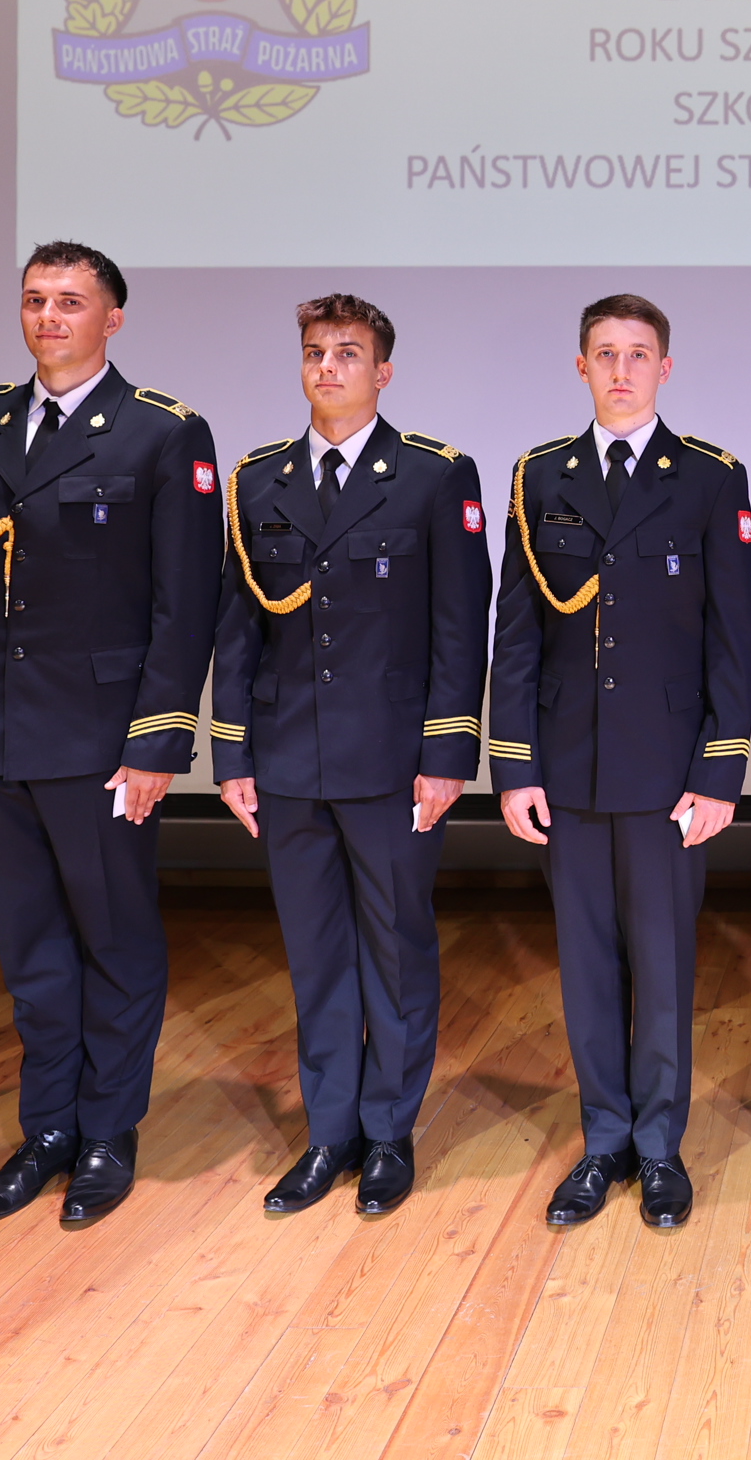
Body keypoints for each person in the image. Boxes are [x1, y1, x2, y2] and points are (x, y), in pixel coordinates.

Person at [0, 242, 222, 1230]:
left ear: (112, 319)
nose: (48, 316)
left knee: (115, 942)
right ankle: (44, 1130)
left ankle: (106, 1133)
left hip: (100, 739)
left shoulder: (162, 431)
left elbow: (186, 603)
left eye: (71, 301)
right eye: (35, 299)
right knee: (32, 950)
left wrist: (157, 741)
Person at [211, 294, 490, 1219]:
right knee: (317, 956)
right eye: (314, 352)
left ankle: (389, 1132)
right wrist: (233, 754)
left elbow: (460, 627)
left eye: (347, 353)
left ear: (383, 372)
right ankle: (328, 1133)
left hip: (392, 762)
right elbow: (238, 627)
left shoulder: (433, 476)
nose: (327, 367)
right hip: (289, 760)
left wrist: (447, 754)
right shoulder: (259, 480)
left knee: (396, 951)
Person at [490, 294, 751, 1230]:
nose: (621, 370)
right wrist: (515, 766)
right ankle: (604, 1141)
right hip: (568, 770)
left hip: (668, 775)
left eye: (638, 354)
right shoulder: (539, 476)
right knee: (587, 967)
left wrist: (719, 773)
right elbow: (518, 634)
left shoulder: (711, 478)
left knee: (665, 966)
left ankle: (660, 1147)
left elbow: (734, 640)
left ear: (664, 369)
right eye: (604, 354)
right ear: (581, 366)